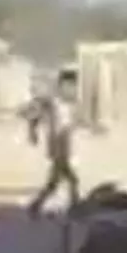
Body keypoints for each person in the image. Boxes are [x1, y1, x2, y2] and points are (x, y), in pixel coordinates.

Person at [23, 66, 83, 219]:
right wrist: (32, 131)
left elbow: (70, 123)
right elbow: (34, 114)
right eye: (69, 85)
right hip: (57, 144)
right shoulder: (52, 101)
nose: (72, 89)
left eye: (74, 86)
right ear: (62, 85)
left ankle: (36, 206)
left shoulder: (70, 103)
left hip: (64, 143)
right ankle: (75, 208)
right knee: (71, 180)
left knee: (55, 182)